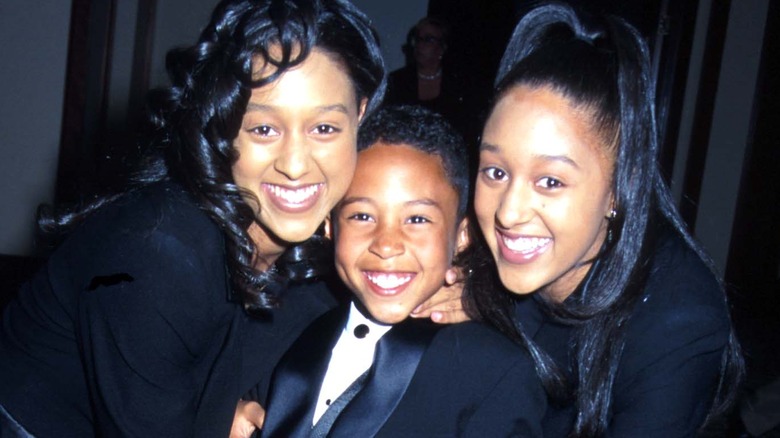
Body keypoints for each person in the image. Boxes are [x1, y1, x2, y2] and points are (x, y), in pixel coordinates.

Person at [0, 0, 394, 436]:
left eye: (324, 129)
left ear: (359, 114)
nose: (297, 165)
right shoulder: (158, 253)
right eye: (263, 129)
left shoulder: (312, 246)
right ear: (220, 125)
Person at [464, 2, 744, 437]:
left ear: (617, 190)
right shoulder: (476, 265)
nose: (508, 212)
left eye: (551, 181)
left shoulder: (679, 321)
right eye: (496, 172)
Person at [260, 105, 546, 437]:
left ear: (462, 235)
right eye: (362, 216)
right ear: (330, 226)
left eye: (417, 219)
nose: (386, 244)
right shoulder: (284, 329)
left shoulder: (493, 370)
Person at [385, 18, 472, 141]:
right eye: (418, 39)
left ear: (442, 48)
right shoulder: (396, 81)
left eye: (428, 39)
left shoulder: (457, 84)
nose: (420, 45)